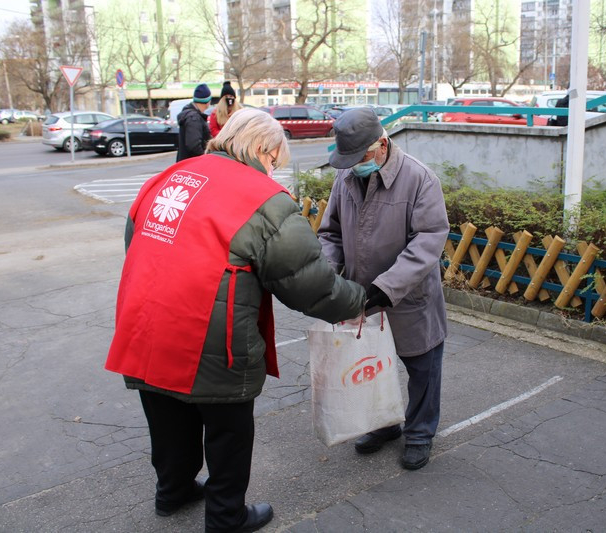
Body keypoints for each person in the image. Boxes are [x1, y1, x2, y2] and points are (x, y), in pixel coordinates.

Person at [105, 108, 365, 533]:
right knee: (228, 433)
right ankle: (227, 518)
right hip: (212, 335)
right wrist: (358, 300)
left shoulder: (170, 176)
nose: (274, 170)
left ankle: (172, 492)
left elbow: (136, 242)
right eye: (275, 160)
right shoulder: (264, 200)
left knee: (167, 418)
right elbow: (309, 284)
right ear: (261, 147)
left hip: (145, 322)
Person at [317, 107, 450, 470]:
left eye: (359, 158)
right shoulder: (345, 176)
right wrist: (327, 274)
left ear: (382, 144)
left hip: (409, 297)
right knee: (372, 366)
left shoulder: (420, 179)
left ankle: (420, 433)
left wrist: (386, 287)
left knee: (423, 369)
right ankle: (384, 424)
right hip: (362, 296)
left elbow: (428, 240)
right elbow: (330, 233)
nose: (353, 166)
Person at [177, 83, 213, 162]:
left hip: (186, 163)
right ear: (208, 101)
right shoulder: (194, 118)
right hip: (192, 163)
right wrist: (204, 158)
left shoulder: (189, 115)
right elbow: (193, 145)